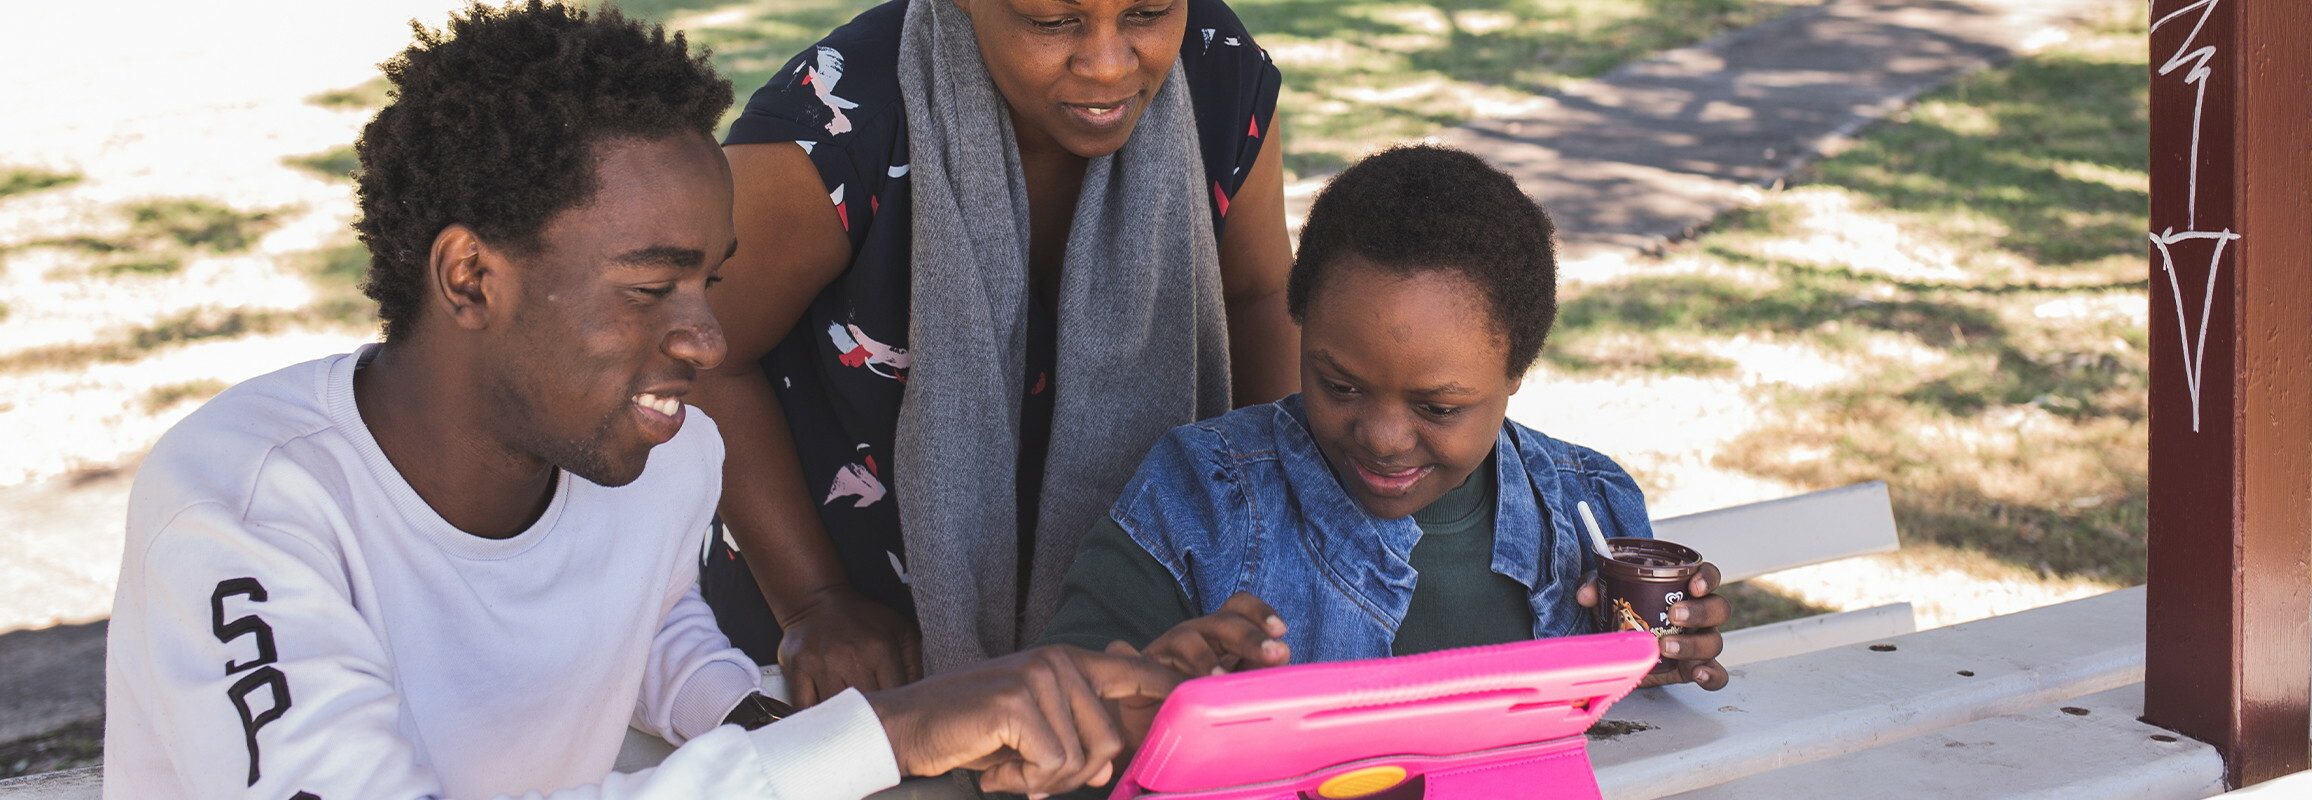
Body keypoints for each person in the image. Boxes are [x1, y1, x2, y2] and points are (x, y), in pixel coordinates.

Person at [101, 4, 1184, 798]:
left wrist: (853, 731)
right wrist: (882, 734)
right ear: (471, 276)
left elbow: (649, 624)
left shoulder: (661, 453)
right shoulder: (243, 501)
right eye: (647, 287)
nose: (707, 338)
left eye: (710, 278)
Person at [695, 0, 1300, 707]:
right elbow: (698, 351)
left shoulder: (1217, 71)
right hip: (852, 654)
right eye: (1052, 22)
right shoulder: (838, 123)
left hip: (1139, 647)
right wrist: (814, 601)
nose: (1107, 62)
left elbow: (1260, 297)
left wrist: (1276, 544)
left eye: (1147, 13)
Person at [1040, 145, 1733, 691]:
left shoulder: (1592, 506)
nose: (1382, 437)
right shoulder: (1198, 495)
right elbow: (1064, 702)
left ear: (1516, 372)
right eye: (1340, 385)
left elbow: (1634, 737)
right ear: (1301, 330)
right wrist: (1155, 687)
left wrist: (1665, 659)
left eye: (1439, 408)